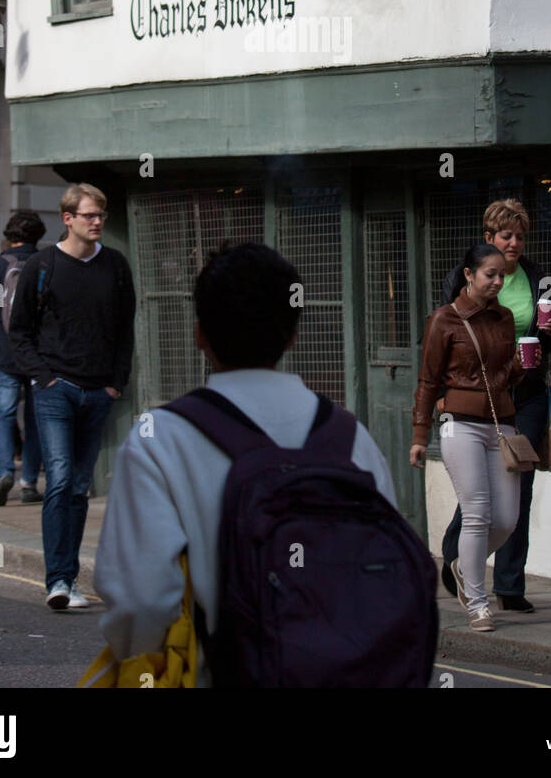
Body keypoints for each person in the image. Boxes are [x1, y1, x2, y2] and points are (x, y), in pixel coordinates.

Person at [93, 242, 398, 685]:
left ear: (199, 333)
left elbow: (139, 600)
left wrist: (147, 660)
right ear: (293, 334)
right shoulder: (351, 437)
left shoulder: (158, 438)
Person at [9, 183, 135, 610]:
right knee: (60, 479)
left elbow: (125, 331)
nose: (97, 221)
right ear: (68, 219)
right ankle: (58, 582)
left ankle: (70, 579)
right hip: (55, 390)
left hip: (98, 390)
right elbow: (19, 331)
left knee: (80, 486)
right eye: (89, 215)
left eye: (100, 214)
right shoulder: (42, 265)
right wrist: (43, 378)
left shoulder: (116, 266)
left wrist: (116, 382)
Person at [437, 199, 551, 612]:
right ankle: (456, 554)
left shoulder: (537, 278)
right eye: (506, 236)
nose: (514, 243)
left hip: (524, 395)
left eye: (520, 236)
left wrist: (550, 333)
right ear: (488, 237)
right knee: (481, 490)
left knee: (518, 486)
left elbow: (538, 344)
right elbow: (447, 338)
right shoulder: (463, 278)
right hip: (476, 396)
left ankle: (509, 585)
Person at [410, 242, 529, 631]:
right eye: (489, 274)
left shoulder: (505, 318)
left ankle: (463, 565)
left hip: (501, 424)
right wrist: (419, 433)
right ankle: (477, 602)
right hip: (459, 425)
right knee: (477, 514)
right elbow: (428, 381)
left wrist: (519, 367)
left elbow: (502, 378)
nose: (497, 281)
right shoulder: (444, 320)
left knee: (507, 519)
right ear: (468, 275)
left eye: (501, 276)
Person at [0, 210, 47, 507]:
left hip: (4, 353)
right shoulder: (47, 262)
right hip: (39, 354)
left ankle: (4, 471)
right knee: (35, 417)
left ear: (10, 234)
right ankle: (29, 482)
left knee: (4, 414)